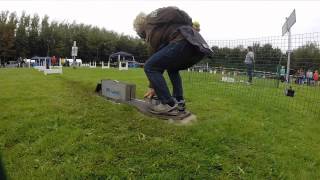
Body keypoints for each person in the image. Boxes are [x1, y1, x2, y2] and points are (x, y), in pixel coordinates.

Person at [133, 7, 213, 115]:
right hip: (195, 46)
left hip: (183, 41)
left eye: (141, 34)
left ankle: (167, 104)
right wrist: (153, 87)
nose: (143, 37)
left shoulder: (151, 19)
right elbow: (158, 61)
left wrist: (189, 23)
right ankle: (179, 101)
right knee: (172, 68)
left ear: (141, 27)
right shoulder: (160, 31)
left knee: (149, 67)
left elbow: (173, 11)